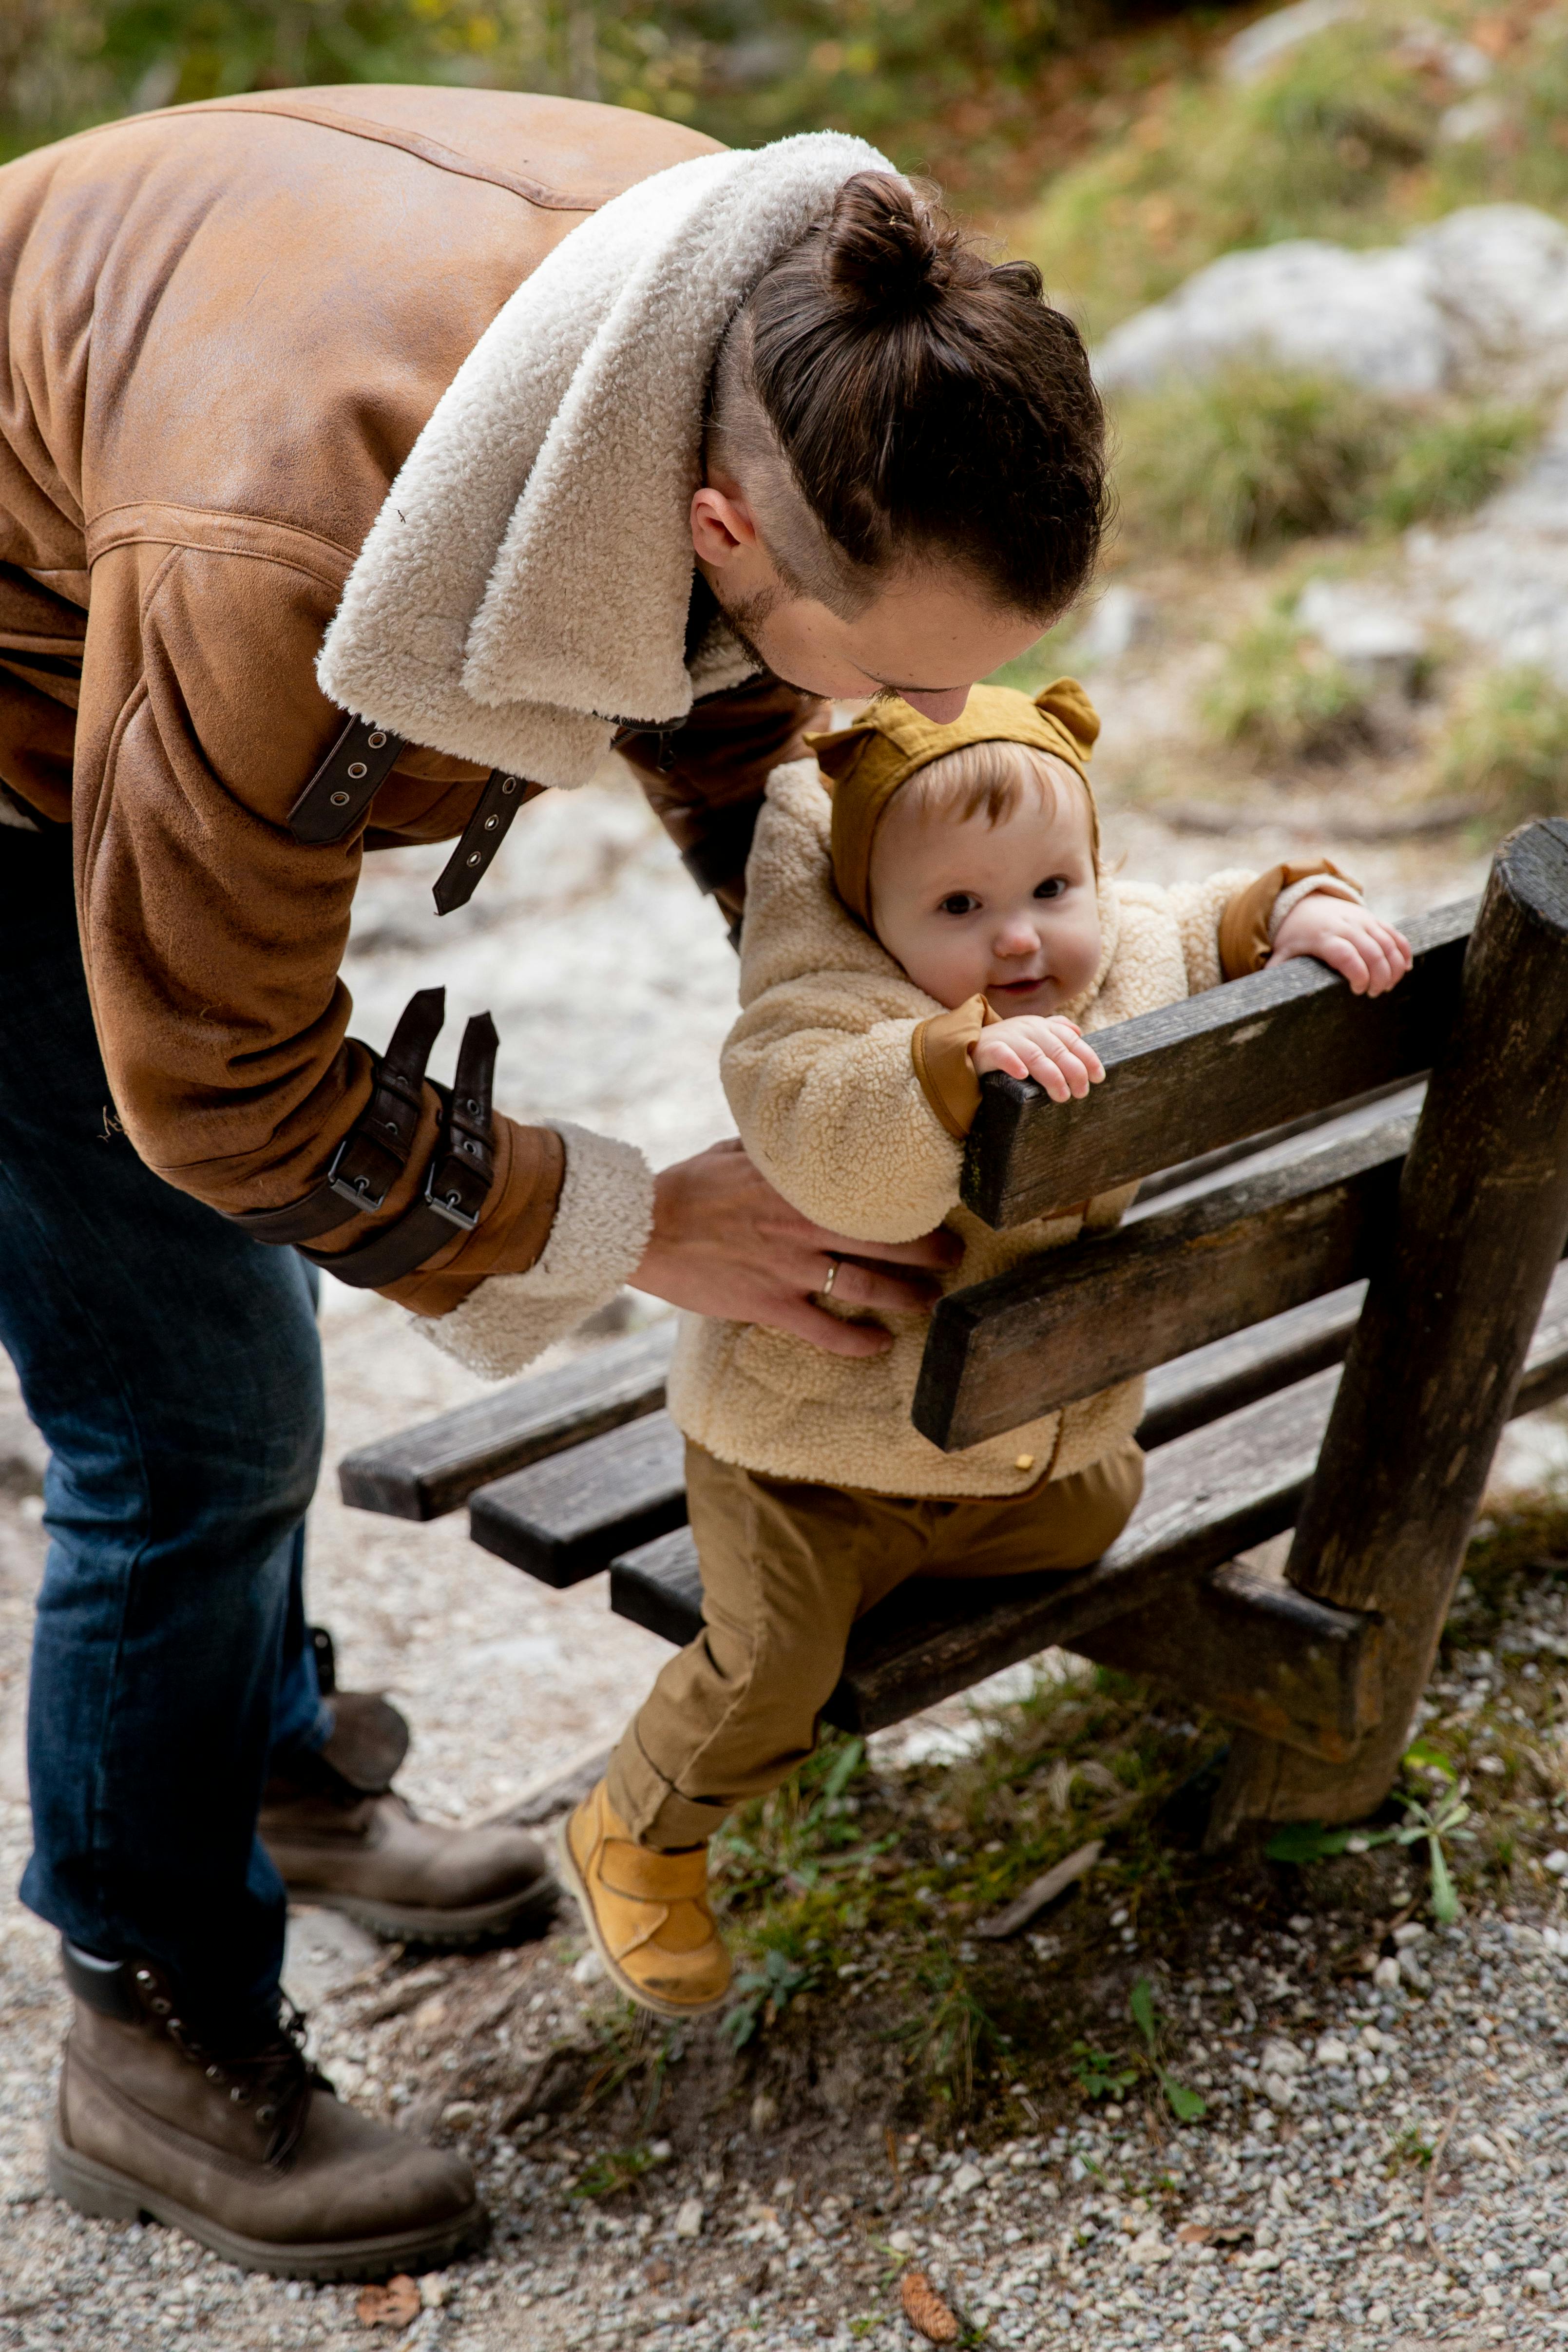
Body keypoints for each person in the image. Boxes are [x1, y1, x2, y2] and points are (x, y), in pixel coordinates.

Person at [0, 95, 1109, 2275]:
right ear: (711, 526)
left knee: (234, 1364)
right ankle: (151, 2022)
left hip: (166, 525)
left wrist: (842, 1004)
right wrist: (639, 1216)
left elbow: (726, 695)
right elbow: (222, 1092)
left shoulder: (798, 328)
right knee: (193, 1411)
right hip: (18, 727)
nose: (944, 711)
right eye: (900, 672)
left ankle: (265, 1756)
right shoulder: (292, 541)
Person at [559, 679, 1414, 2018]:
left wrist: (1288, 909)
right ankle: (639, 1828)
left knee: (1100, 1510)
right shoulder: (827, 1021)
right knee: (771, 1662)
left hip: (1009, 1452)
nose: (1019, 939)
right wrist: (944, 1061)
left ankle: (934, 1548)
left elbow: (1192, 922)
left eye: (1049, 886)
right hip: (806, 1458)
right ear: (871, 916)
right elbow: (831, 1133)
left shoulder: (1106, 945)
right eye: (956, 910)